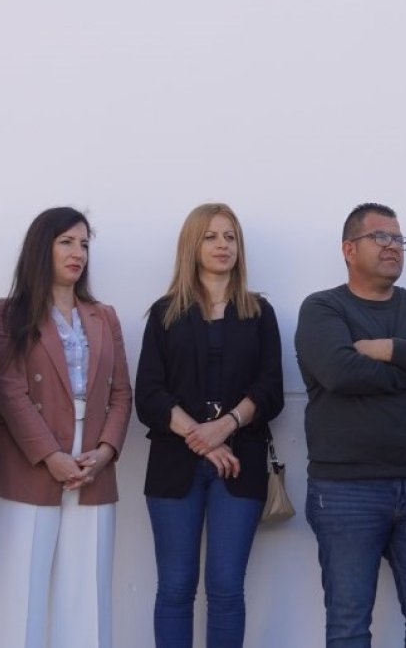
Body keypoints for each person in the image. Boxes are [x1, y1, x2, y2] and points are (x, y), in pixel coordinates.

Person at [296, 203, 406, 648]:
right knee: (349, 626)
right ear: (349, 249)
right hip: (345, 489)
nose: (393, 246)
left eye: (398, 239)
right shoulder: (323, 308)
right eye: (381, 237)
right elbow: (340, 372)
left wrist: (390, 349)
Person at [0, 207, 133, 648]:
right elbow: (9, 390)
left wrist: (105, 452)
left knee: (88, 593)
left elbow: (122, 393)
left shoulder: (104, 316)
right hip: (31, 458)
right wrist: (50, 455)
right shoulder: (10, 312)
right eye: (66, 242)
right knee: (18, 590)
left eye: (84, 244)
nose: (78, 252)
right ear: (40, 247)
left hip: (93, 461)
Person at [135, 203, 284, 648]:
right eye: (211, 236)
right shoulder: (165, 313)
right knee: (175, 587)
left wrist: (225, 426)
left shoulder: (259, 312)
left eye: (230, 237)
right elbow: (149, 394)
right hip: (173, 465)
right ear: (192, 245)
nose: (223, 245)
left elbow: (271, 389)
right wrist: (203, 438)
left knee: (226, 588)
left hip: (241, 464)